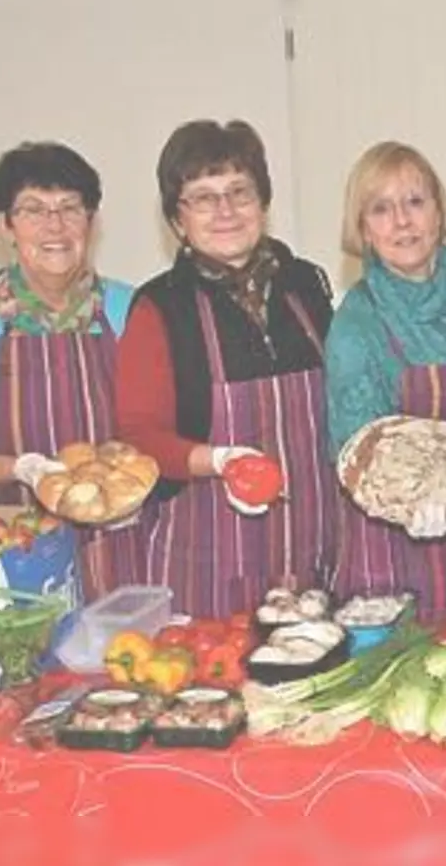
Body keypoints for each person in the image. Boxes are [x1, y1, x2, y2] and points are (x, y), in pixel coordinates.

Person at [116, 119, 339, 617]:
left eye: (240, 191)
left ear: (263, 203)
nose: (225, 210)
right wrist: (218, 461)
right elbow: (139, 436)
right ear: (178, 221)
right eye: (202, 197)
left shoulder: (307, 286)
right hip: (208, 556)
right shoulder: (159, 307)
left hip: (314, 546)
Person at [0, 142, 141, 601]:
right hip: (14, 558)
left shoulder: (129, 308)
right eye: (33, 209)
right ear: (6, 225)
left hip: (122, 549)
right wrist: (25, 469)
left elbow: (154, 427)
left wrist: (138, 487)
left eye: (70, 207)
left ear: (91, 220)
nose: (55, 225)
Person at [323, 142, 446, 620]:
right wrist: (411, 504)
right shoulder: (356, 323)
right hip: (394, 532)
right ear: (364, 230)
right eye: (381, 209)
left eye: (415, 201)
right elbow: (355, 450)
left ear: (439, 210)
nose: (402, 221)